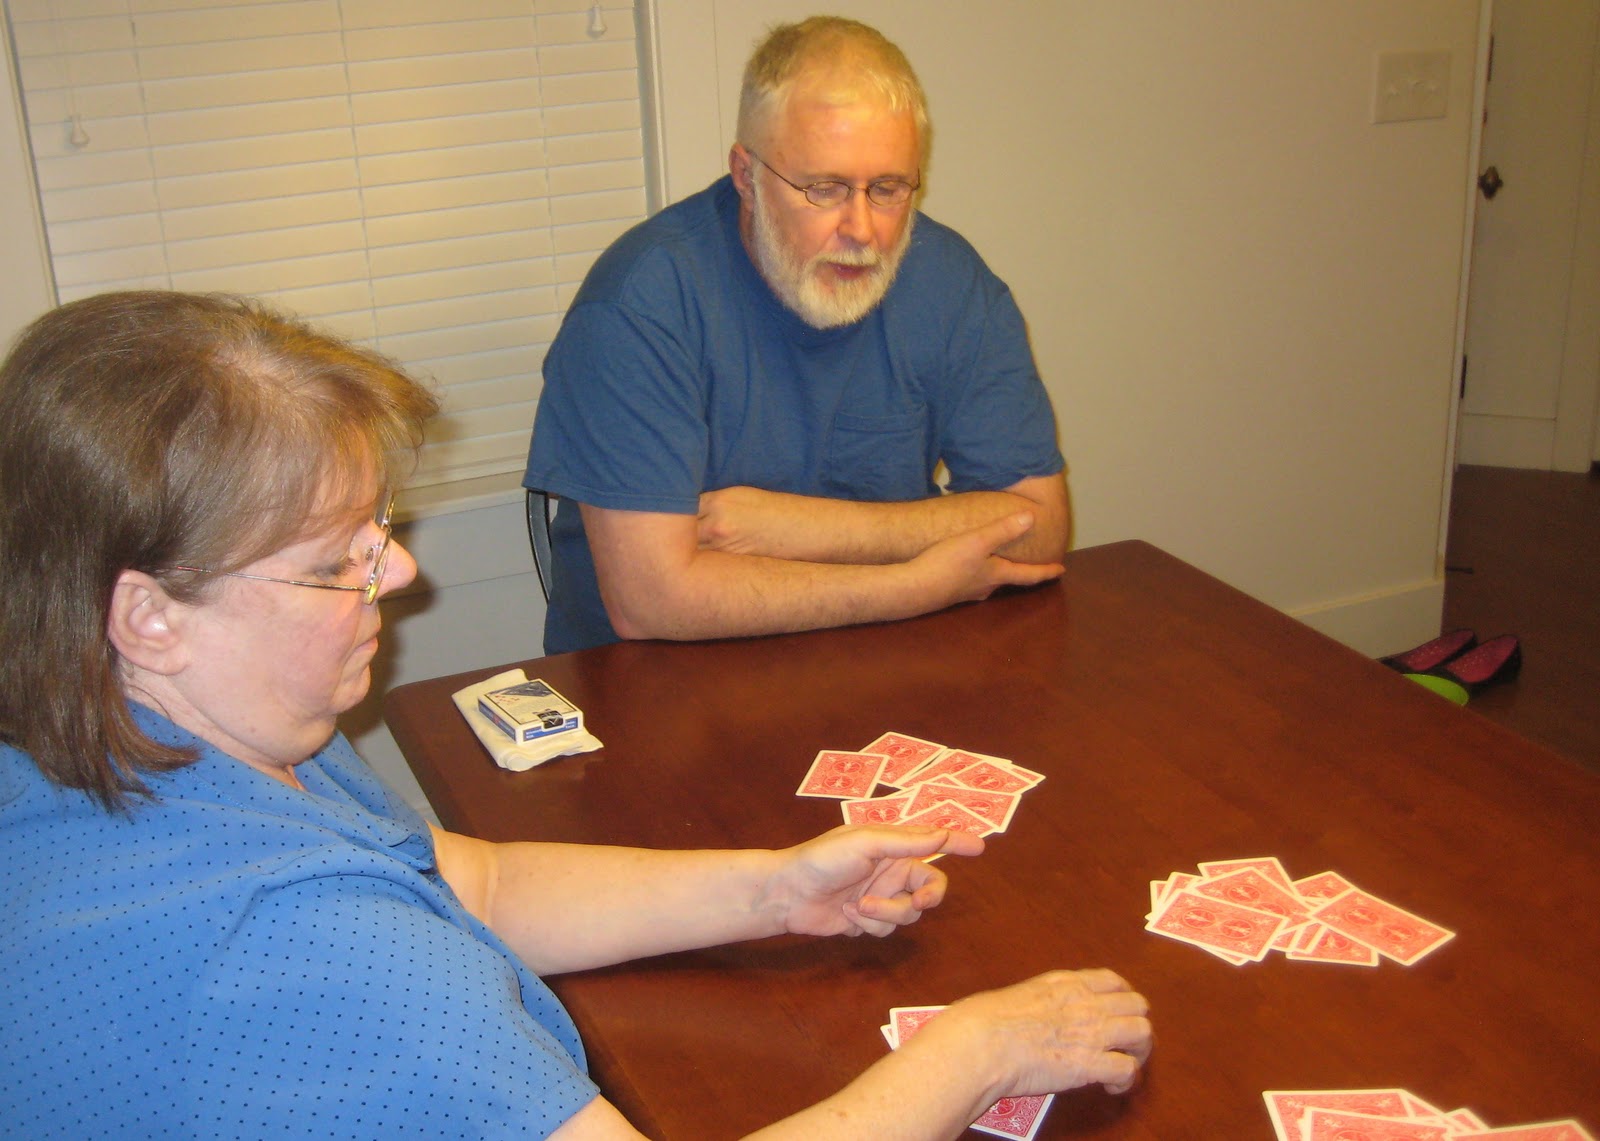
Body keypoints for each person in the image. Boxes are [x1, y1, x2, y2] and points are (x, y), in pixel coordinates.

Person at [0, 291, 1148, 1140]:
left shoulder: (155, 728)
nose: (398, 572)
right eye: (334, 560)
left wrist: (773, 890)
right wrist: (973, 1052)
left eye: (375, 529)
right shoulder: (308, 949)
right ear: (148, 615)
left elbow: (474, 883)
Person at [524, 16, 1070, 654]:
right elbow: (652, 601)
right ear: (745, 175)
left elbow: (1040, 527)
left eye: (889, 188)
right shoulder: (639, 304)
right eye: (824, 189)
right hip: (661, 681)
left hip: (881, 664)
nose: (863, 229)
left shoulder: (953, 283)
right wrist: (916, 585)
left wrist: (796, 527)